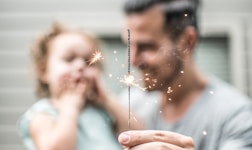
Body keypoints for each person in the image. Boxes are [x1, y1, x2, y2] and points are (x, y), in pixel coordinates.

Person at [118, 0, 252, 149]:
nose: (133, 60)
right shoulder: (132, 103)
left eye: (147, 47)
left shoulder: (237, 117)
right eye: (129, 46)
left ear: (187, 42)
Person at [17, 22, 142, 150]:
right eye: (69, 59)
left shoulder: (102, 111)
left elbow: (139, 134)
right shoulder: (42, 114)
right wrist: (70, 108)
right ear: (44, 71)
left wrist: (106, 98)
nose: (81, 66)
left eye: (89, 62)